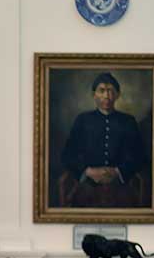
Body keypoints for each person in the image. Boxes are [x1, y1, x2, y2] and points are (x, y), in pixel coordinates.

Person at [60, 72, 147, 208]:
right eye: (102, 91)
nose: (106, 96)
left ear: (117, 95)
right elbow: (67, 155)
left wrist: (118, 171)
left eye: (111, 91)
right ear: (94, 94)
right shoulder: (82, 120)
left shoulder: (128, 121)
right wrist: (88, 171)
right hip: (87, 185)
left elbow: (140, 156)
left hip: (120, 185)